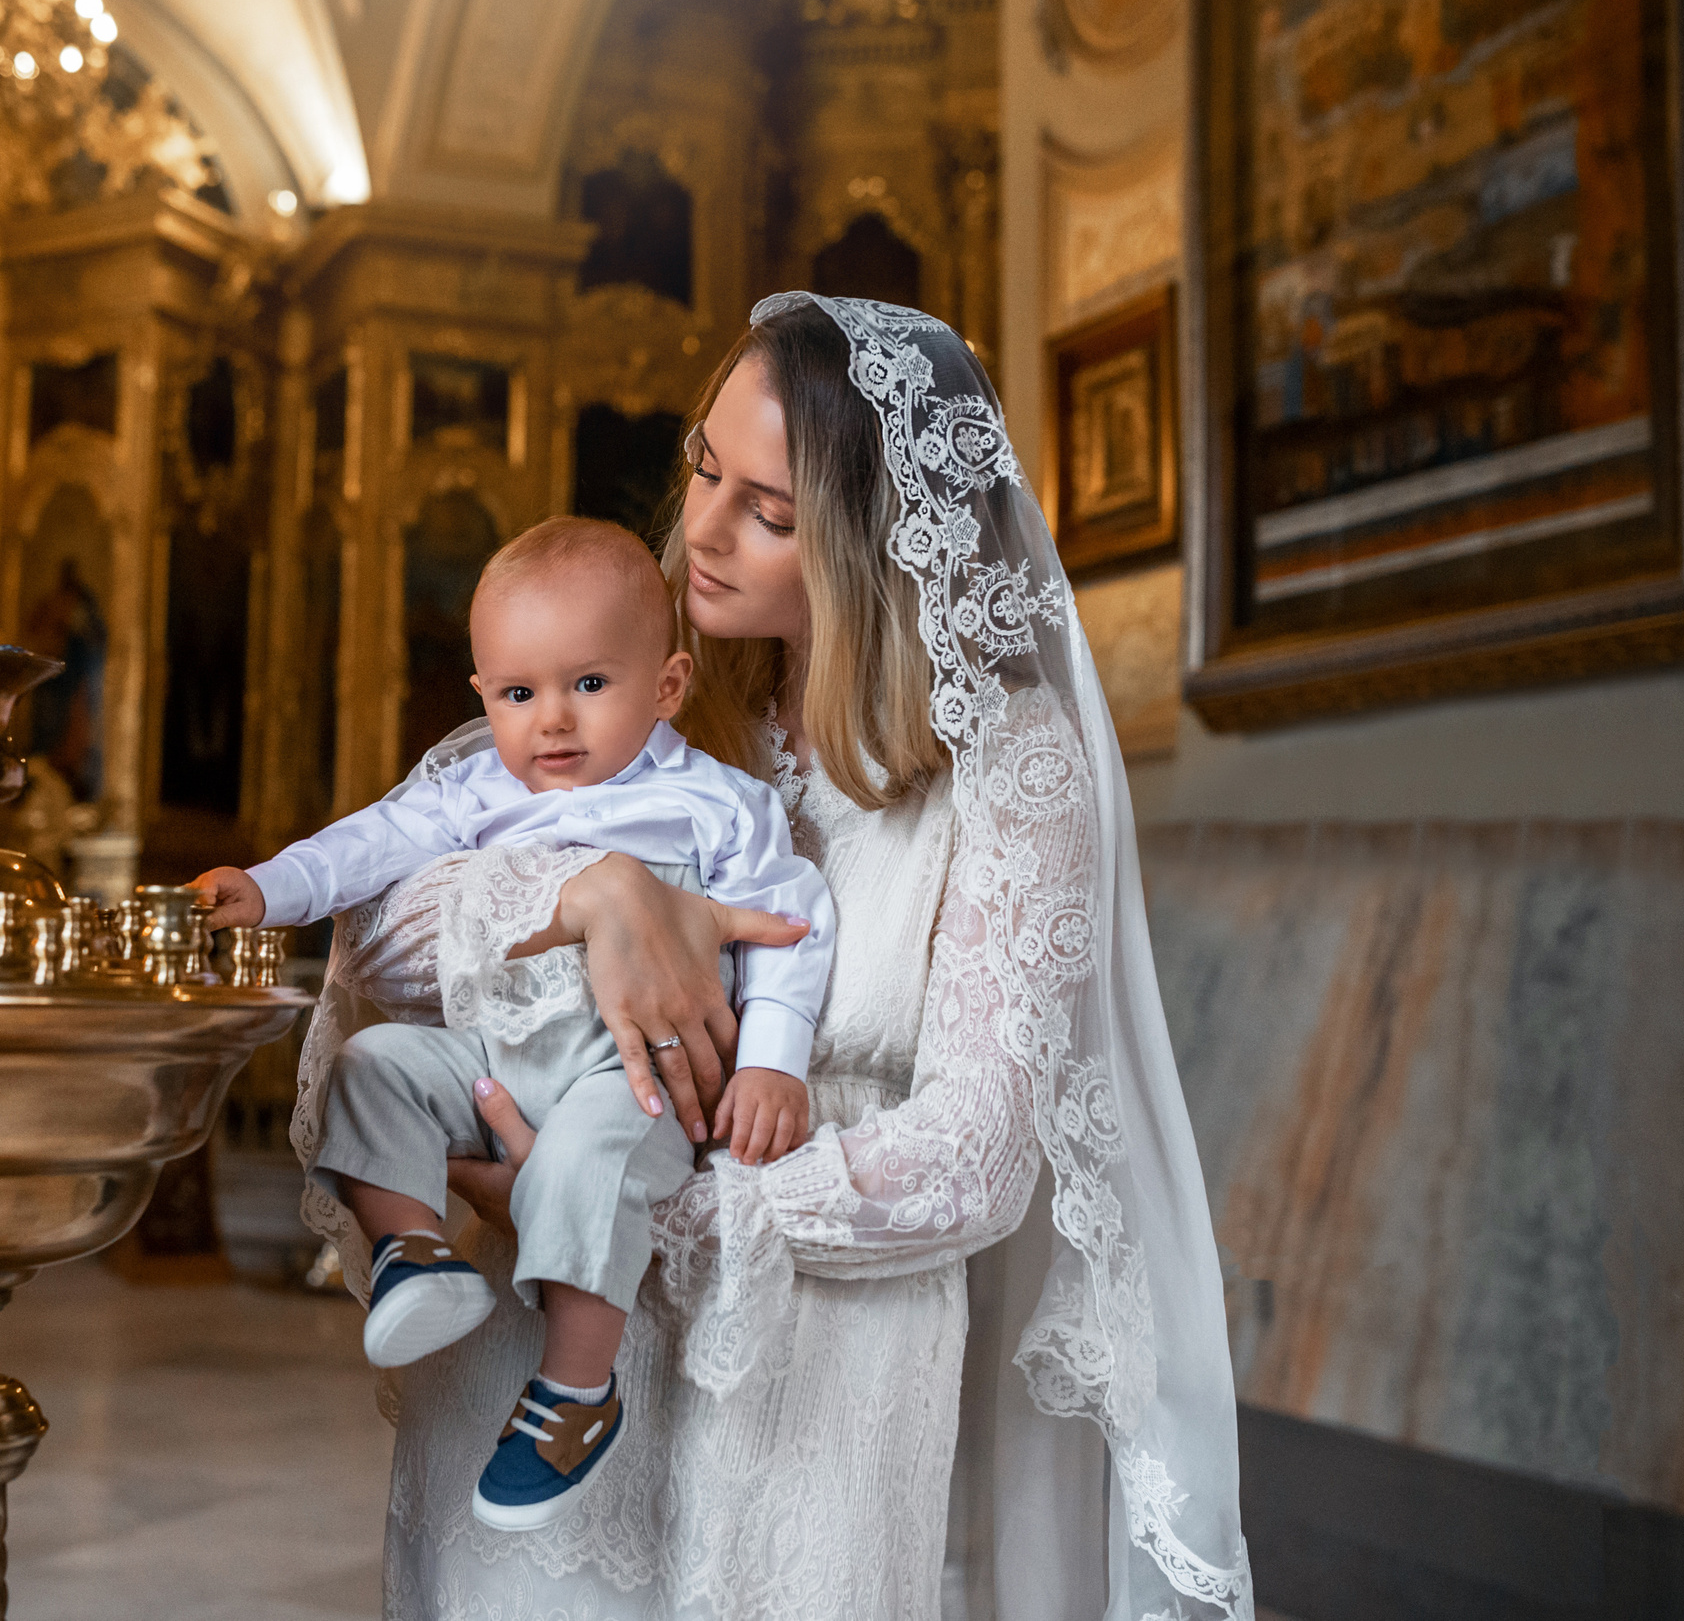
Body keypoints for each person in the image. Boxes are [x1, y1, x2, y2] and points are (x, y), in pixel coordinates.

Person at [295, 295, 1254, 1620]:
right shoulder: (628, 688)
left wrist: (619, 1211)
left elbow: (976, 1155)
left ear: (870, 543)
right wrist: (595, 893)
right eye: (702, 467)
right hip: (522, 1367)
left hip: (810, 1389)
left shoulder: (1010, 769)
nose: (697, 528)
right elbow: (378, 936)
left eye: (770, 512)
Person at [194, 517, 834, 1531]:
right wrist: (268, 890)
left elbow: (789, 927)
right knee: (375, 1066)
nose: (554, 724)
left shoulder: (715, 804)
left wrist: (772, 1065)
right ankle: (413, 1250)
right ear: (484, 696)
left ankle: (576, 1394)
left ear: (666, 687)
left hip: (626, 1079)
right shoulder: (478, 791)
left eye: (589, 685)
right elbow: (366, 846)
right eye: (519, 694)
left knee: (591, 1161)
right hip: (492, 1052)